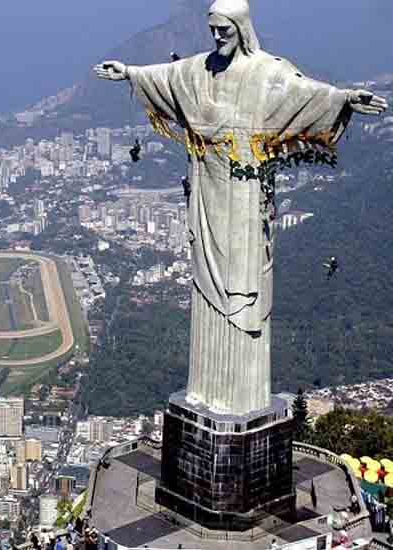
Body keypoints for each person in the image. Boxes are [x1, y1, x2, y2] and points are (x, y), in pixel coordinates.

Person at [94, 0, 387, 415]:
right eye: (213, 30)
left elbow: (306, 94)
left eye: (224, 30)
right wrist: (128, 72)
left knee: (244, 283)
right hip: (207, 193)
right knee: (206, 286)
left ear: (242, 27)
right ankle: (204, 389)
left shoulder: (267, 72)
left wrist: (345, 99)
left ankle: (242, 396)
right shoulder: (199, 70)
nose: (217, 37)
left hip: (247, 199)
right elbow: (166, 77)